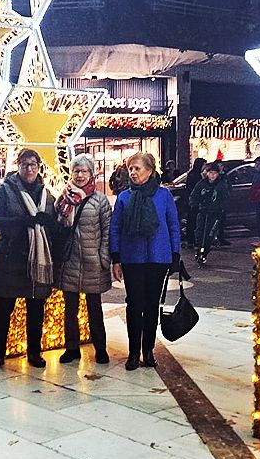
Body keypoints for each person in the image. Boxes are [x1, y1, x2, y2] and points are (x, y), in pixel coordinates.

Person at [0, 149, 57, 371]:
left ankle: (34, 352)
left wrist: (49, 222)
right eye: (25, 164)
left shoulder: (46, 195)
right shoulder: (6, 190)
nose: (29, 169)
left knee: (36, 307)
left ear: (39, 168)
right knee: (4, 308)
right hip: (11, 257)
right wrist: (21, 222)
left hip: (37, 259)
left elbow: (53, 224)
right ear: (18, 166)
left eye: (33, 165)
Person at [110, 152, 181, 370]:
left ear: (150, 171)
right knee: (134, 305)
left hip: (158, 258)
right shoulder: (124, 197)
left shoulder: (163, 195)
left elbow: (173, 225)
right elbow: (116, 228)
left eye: (137, 168)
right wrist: (116, 257)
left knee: (152, 305)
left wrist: (175, 254)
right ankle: (133, 352)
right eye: (130, 169)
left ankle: (148, 350)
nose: (133, 173)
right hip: (132, 259)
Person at [54, 155, 111, 364]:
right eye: (76, 171)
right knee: (70, 309)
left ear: (91, 174)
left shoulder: (100, 200)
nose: (79, 175)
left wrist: (103, 257)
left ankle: (101, 348)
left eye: (84, 171)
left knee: (94, 308)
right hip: (69, 261)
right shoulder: (63, 198)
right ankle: (72, 348)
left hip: (92, 261)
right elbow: (57, 228)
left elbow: (107, 231)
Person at [189, 161, 228, 265]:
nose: (212, 175)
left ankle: (204, 253)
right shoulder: (201, 184)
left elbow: (225, 199)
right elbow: (194, 196)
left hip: (215, 214)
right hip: (203, 212)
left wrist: (221, 209)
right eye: (210, 173)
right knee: (199, 232)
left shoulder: (221, 185)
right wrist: (195, 205)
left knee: (210, 234)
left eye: (215, 173)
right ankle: (198, 250)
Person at [180, 157, 207, 245]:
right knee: (193, 220)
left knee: (192, 220)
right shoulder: (195, 175)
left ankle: (191, 238)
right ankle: (192, 239)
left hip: (193, 200)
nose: (204, 167)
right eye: (203, 165)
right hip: (194, 201)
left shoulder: (194, 174)